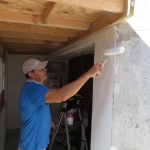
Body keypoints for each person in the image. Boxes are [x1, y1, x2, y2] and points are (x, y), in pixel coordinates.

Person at [18, 58, 104, 150]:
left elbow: (39, 108)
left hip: (35, 144)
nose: (45, 69)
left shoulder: (34, 87)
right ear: (31, 74)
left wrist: (48, 120)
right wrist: (88, 74)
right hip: (32, 146)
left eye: (43, 67)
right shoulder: (33, 89)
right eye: (40, 69)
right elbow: (62, 95)